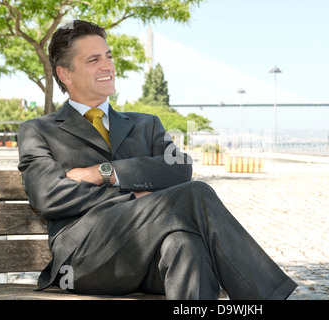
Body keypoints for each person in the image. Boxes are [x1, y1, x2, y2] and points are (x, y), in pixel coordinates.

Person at [17, 20, 297, 300]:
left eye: (108, 56)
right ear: (65, 74)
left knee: (186, 245)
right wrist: (134, 199)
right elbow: (48, 195)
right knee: (197, 194)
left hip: (146, 259)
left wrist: (107, 172)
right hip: (85, 261)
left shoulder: (146, 125)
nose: (108, 66)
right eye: (93, 60)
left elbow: (179, 169)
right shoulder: (38, 131)